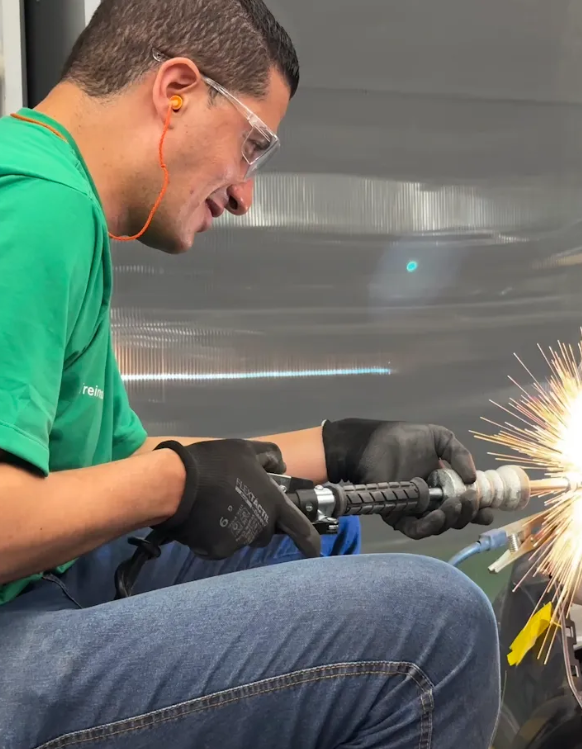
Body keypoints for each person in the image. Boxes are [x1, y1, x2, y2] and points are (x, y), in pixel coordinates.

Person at [0, 1, 501, 747]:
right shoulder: (39, 210)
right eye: (252, 146)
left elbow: (114, 466)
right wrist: (178, 483)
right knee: (438, 629)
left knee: (306, 531)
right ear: (176, 91)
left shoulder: (49, 190)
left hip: (30, 589)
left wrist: (337, 449)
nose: (243, 195)